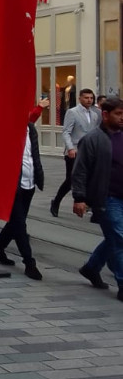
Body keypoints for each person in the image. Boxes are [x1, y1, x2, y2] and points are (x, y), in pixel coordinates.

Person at [73, 97, 123, 298]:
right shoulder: (93, 139)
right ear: (105, 115)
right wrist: (79, 197)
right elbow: (80, 170)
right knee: (120, 239)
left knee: (114, 238)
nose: (122, 118)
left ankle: (92, 267)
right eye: (118, 114)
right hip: (107, 198)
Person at [0, 121, 44, 279]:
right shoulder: (7, 128)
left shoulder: (31, 129)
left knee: (16, 222)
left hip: (29, 183)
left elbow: (34, 154)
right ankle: (29, 262)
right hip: (12, 185)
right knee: (20, 224)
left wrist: (38, 175)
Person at [50, 87, 100, 218]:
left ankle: (89, 205)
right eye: (86, 98)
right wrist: (70, 148)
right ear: (80, 98)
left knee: (90, 178)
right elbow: (66, 132)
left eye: (91, 98)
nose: (89, 100)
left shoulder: (94, 115)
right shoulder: (72, 112)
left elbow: (94, 133)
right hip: (74, 151)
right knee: (71, 180)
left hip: (89, 152)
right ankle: (56, 201)